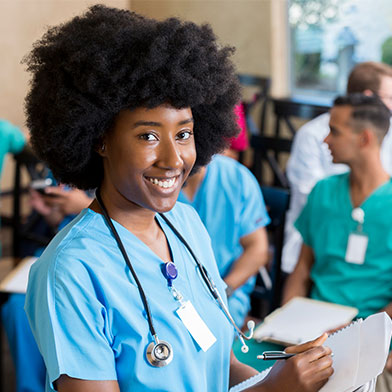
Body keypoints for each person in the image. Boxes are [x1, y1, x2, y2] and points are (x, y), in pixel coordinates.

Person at [23, 6, 334, 392]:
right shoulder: (70, 272)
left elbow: (221, 364)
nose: (174, 160)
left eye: (184, 134)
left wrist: (283, 375)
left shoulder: (186, 224)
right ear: (99, 138)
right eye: (148, 136)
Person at [282, 94, 392, 323]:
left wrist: (362, 335)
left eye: (335, 131)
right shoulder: (322, 191)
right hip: (312, 325)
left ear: (364, 139)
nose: (326, 140)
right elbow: (302, 268)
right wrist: (287, 322)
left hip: (373, 330)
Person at [282, 62, 392, 275]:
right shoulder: (313, 136)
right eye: (390, 98)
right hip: (319, 246)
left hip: (375, 249)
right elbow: (316, 206)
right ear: (370, 98)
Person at [1, 185, 93, 392]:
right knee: (18, 306)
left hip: (97, 256)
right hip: (62, 248)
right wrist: (55, 216)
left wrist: (85, 206)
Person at [179, 154, 270, 328]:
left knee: (209, 335)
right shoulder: (154, 181)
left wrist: (222, 290)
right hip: (172, 298)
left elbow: (258, 249)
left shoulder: (237, 178)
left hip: (227, 295)